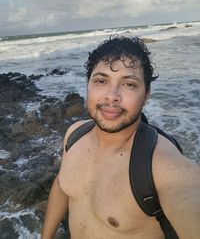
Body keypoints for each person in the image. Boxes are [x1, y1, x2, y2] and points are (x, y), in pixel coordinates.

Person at [41, 36, 200, 239]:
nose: (111, 95)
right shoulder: (74, 134)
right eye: (100, 81)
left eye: (129, 84)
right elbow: (62, 185)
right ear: (87, 85)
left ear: (146, 94)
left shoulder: (167, 169)